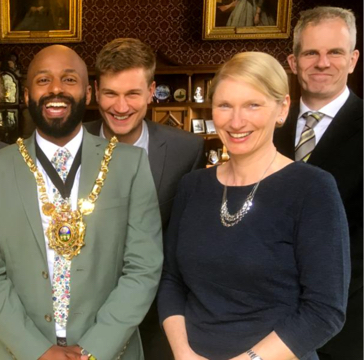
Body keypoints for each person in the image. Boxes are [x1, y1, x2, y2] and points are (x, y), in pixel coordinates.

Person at [0, 45, 163, 360]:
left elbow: (144, 266)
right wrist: (37, 351)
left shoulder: (130, 164)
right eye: (43, 80)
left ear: (88, 93)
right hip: (22, 351)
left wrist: (95, 348)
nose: (56, 88)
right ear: (27, 94)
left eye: (69, 80)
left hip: (111, 350)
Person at [158, 52, 350, 360]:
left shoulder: (313, 188)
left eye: (253, 105)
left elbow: (325, 311)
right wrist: (184, 354)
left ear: (282, 109)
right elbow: (171, 280)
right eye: (224, 105)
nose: (236, 121)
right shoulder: (192, 186)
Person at [85, 37, 205, 360]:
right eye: (110, 93)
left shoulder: (186, 150)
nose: (120, 107)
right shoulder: (69, 146)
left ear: (151, 92)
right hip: (80, 315)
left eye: (132, 94)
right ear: (96, 92)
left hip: (155, 321)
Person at [274, 7, 362, 360]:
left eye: (335, 52)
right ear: (293, 62)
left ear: (353, 60)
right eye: (311, 52)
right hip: (264, 320)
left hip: (344, 327)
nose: (322, 63)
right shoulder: (265, 125)